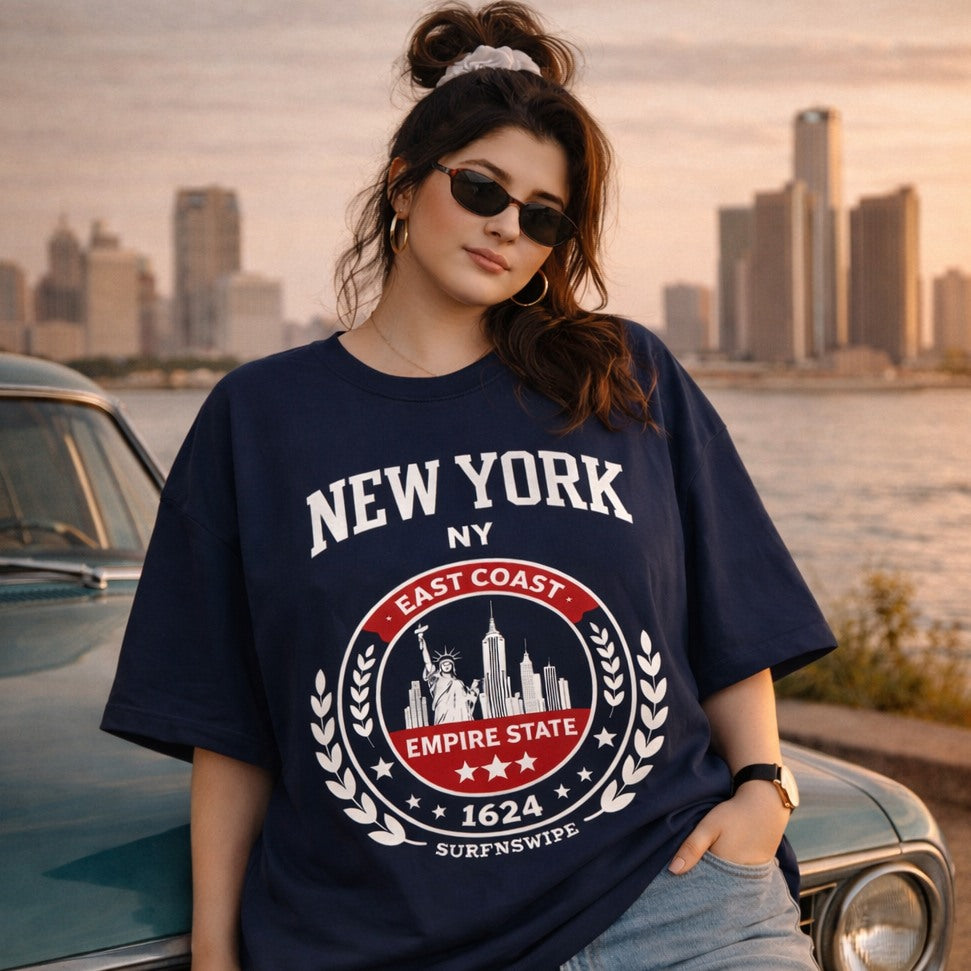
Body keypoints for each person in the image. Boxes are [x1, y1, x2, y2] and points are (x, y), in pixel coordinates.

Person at [102, 3, 835, 968]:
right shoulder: (260, 419)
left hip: (671, 904)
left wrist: (761, 788)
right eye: (481, 188)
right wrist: (214, 951)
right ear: (404, 185)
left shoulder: (621, 377)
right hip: (379, 942)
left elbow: (730, 610)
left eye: (542, 216)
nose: (505, 227)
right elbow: (226, 723)